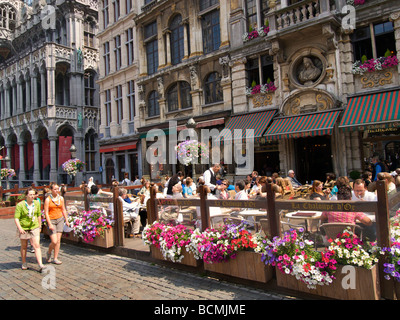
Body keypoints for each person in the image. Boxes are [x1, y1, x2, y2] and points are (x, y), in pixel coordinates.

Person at [14, 187, 44, 271]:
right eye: (30, 194)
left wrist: (39, 226)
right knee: (24, 246)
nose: (32, 196)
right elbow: (16, 218)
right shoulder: (20, 205)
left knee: (36, 245)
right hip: (24, 227)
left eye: (33, 194)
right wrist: (20, 228)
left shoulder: (36, 203)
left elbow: (38, 214)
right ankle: (24, 262)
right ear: (26, 195)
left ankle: (40, 264)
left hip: (34, 226)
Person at [44, 182, 69, 265]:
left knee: (58, 240)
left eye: (57, 189)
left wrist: (66, 220)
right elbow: (46, 212)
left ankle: (55, 257)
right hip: (51, 220)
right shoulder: (48, 199)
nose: (56, 191)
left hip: (60, 219)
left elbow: (63, 209)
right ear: (51, 190)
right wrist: (49, 223)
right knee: (54, 241)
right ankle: (49, 252)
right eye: (55, 189)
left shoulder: (61, 198)